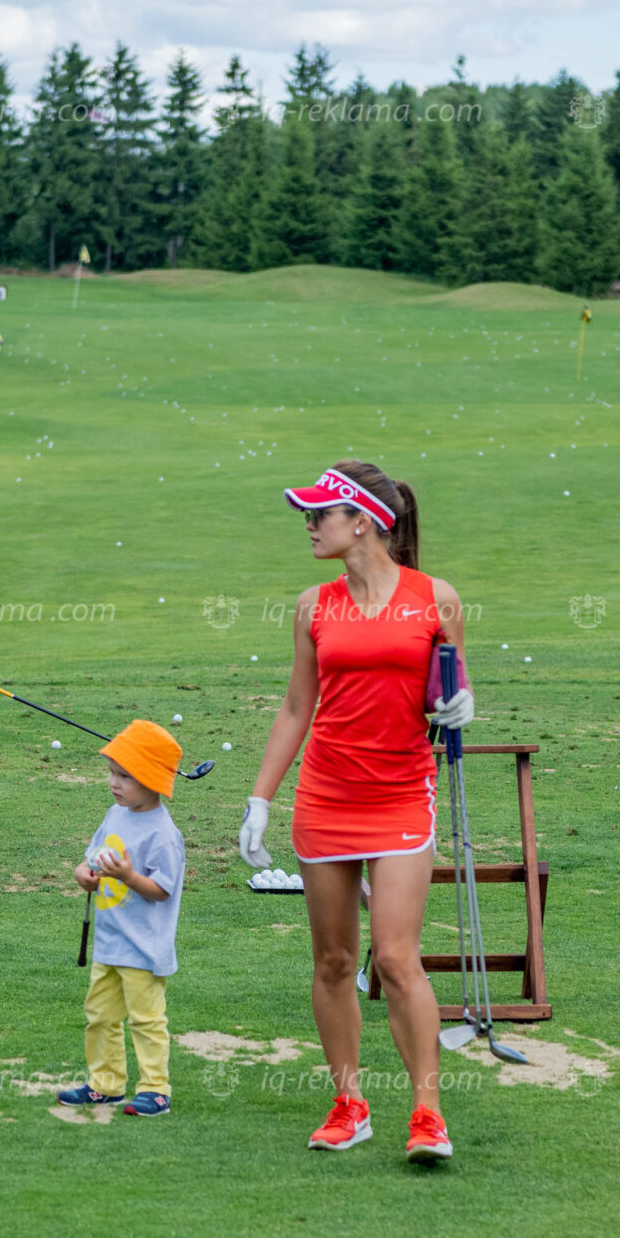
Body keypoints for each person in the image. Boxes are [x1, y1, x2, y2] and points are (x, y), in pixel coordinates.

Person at [238, 460, 474, 1164]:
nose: (309, 527)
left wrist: (461, 708)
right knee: (336, 960)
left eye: (320, 515)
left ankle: (427, 1115)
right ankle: (349, 1104)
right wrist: (260, 797)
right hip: (326, 796)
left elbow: (450, 695)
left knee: (397, 958)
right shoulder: (314, 605)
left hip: (402, 791)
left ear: (363, 521)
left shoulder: (437, 598)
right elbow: (294, 709)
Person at [58, 720, 187, 1117]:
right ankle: (105, 1084)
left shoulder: (164, 834)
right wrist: (84, 873)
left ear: (151, 780)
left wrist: (129, 877)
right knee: (100, 1016)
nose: (114, 783)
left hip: (145, 946)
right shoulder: (116, 814)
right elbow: (95, 857)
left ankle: (155, 1089)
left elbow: (162, 890)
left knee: (147, 1020)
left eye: (125, 776)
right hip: (110, 942)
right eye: (112, 773)